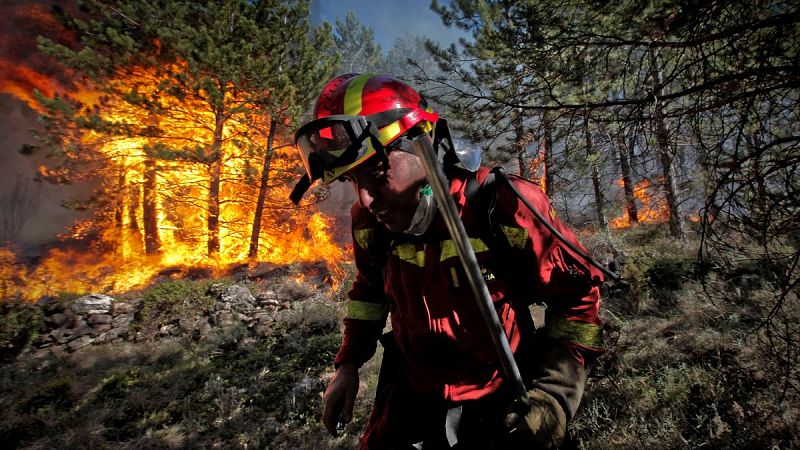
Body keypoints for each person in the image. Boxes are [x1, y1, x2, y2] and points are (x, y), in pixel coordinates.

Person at [291, 73, 604, 449]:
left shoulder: (502, 204)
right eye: (352, 181)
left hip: (502, 399)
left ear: (420, 142)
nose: (367, 201)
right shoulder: (370, 223)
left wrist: (554, 395)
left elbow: (577, 297)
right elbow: (370, 294)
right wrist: (348, 365)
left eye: (375, 171)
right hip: (412, 401)